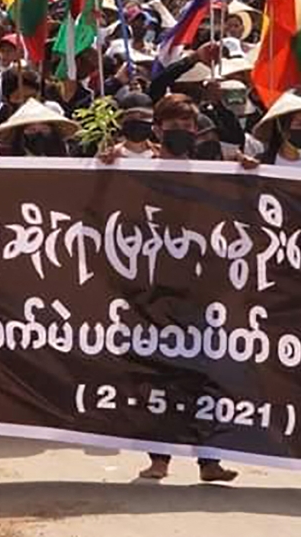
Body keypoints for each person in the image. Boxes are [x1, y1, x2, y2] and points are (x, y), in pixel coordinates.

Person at [99, 93, 239, 484]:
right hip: (152, 290)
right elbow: (104, 210)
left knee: (205, 376)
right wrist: (106, 169)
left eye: (187, 127)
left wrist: (250, 172)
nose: (181, 133)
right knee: (156, 375)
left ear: (197, 131)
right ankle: (158, 457)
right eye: (173, 127)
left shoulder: (215, 171)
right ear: (158, 130)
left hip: (200, 290)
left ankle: (208, 461)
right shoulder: (136, 170)